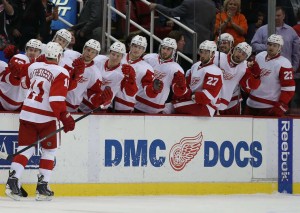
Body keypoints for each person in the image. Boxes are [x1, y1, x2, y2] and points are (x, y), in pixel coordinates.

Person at [5, 42, 75, 201]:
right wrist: (65, 117)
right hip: (47, 118)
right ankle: (42, 188)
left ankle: (12, 183)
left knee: (25, 149)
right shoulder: (61, 72)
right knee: (49, 151)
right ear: (58, 56)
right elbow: (56, 101)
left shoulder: (32, 66)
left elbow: (24, 84)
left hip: (27, 113)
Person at [149, 0, 216, 71]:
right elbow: (212, 26)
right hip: (204, 46)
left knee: (186, 71)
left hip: (189, 46)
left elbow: (172, 12)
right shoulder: (211, 4)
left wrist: (157, 6)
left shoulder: (189, 2)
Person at [79, 41, 138, 113]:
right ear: (109, 53)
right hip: (83, 102)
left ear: (122, 57)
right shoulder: (98, 60)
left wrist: (130, 78)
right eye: (113, 54)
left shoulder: (123, 72)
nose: (115, 57)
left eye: (118, 55)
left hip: (100, 108)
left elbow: (130, 93)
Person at [245, 34, 295, 116]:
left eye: (275, 45)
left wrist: (281, 105)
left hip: (269, 107)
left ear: (280, 48)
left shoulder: (284, 64)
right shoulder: (259, 56)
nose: (271, 47)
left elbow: (288, 89)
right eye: (269, 44)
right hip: (251, 103)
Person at [135, 37, 187, 114]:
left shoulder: (176, 69)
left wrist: (181, 87)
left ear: (173, 51)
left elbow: (178, 92)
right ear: (160, 48)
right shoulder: (148, 58)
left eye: (168, 49)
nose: (165, 51)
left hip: (155, 109)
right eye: (163, 48)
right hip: (137, 103)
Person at [172, 40, 223, 116]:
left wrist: (187, 94)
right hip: (194, 102)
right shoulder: (195, 65)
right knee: (169, 105)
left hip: (207, 107)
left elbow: (205, 98)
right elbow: (187, 85)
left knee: (174, 106)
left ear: (212, 54)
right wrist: (181, 89)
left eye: (206, 52)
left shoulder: (215, 71)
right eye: (201, 52)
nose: (202, 55)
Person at [114, 35, 163, 112]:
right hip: (108, 102)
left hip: (125, 106)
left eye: (140, 48)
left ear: (144, 50)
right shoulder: (119, 56)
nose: (136, 49)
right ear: (130, 46)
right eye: (135, 46)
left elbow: (149, 92)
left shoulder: (146, 68)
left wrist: (154, 89)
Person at [214, 42, 261, 115]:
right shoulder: (218, 56)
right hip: (210, 99)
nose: (239, 54)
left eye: (243, 54)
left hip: (229, 101)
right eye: (239, 51)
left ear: (246, 58)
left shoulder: (245, 68)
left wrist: (255, 75)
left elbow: (251, 86)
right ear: (234, 50)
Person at [66, 39, 112, 113]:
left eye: (93, 52)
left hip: (72, 107)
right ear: (84, 48)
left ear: (96, 55)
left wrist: (100, 99)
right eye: (88, 50)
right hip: (56, 100)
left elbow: (93, 93)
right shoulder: (69, 56)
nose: (89, 53)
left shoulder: (95, 73)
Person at [251, 6, 300, 72]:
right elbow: (253, 45)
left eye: (278, 15)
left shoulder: (291, 31)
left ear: (284, 16)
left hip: (285, 68)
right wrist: (268, 47)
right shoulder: (261, 30)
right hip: (265, 68)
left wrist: (294, 67)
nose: (276, 17)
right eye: (274, 15)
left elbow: (296, 52)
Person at [0, 39, 42, 111]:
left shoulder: (39, 68)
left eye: (35, 51)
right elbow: (14, 81)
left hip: (20, 105)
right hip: (2, 99)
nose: (32, 52)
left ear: (39, 53)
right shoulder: (21, 58)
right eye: (30, 50)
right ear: (26, 50)